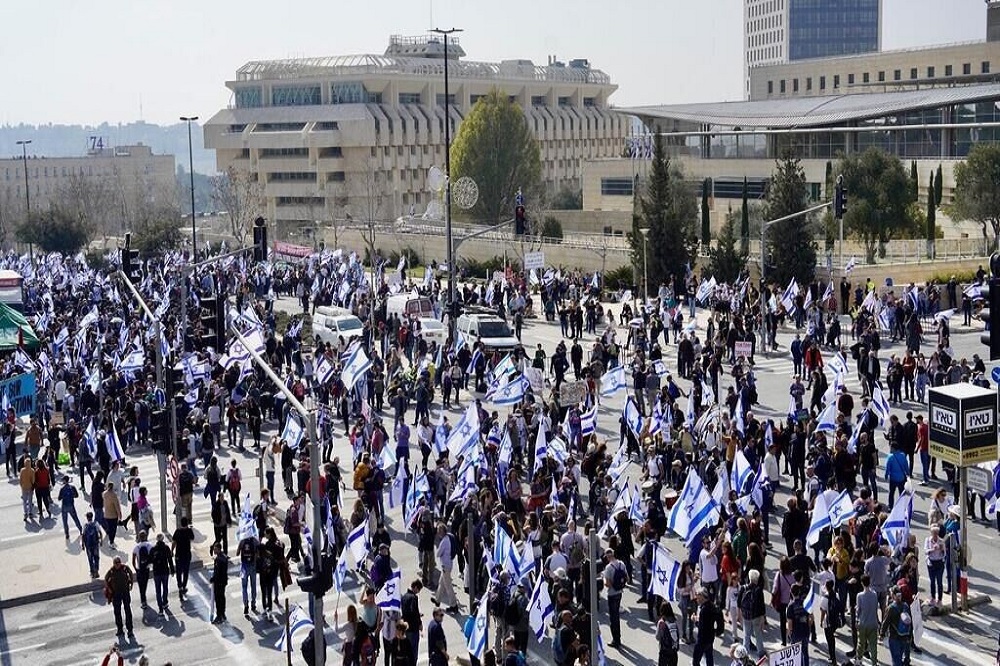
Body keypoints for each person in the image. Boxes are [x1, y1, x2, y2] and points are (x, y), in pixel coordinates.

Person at [104, 556, 135, 640]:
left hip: (125, 592)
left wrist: (131, 584)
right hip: (116, 594)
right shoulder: (111, 571)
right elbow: (106, 579)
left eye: (118, 562)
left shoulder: (125, 568)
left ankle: (130, 630)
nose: (117, 564)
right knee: (117, 612)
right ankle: (120, 629)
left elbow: (131, 574)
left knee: (127, 610)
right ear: (113, 564)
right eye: (116, 563)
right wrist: (109, 589)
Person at [880, 587, 913, 666]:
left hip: (894, 637)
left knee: (896, 660)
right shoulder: (906, 606)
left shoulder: (891, 608)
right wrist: (909, 636)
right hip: (904, 636)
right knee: (899, 657)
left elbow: (885, 622)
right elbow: (910, 622)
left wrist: (882, 634)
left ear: (894, 595)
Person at [602, 548, 627, 648]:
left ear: (607, 557)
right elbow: (627, 578)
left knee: (613, 617)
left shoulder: (608, 568)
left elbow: (607, 584)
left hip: (612, 594)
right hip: (620, 593)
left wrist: (604, 578)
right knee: (616, 615)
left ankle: (616, 640)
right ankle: (618, 638)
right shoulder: (622, 564)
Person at [692, 588, 723, 666]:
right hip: (710, 637)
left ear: (702, 597)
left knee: (696, 661)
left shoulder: (704, 610)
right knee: (709, 657)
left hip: (702, 639)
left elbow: (702, 627)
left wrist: (695, 620)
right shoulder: (712, 606)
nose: (697, 600)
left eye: (698, 597)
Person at [855, 574, 880, 666]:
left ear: (862, 583)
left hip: (863, 623)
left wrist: (856, 620)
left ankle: (858, 661)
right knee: (873, 645)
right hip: (873, 623)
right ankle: (874, 663)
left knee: (861, 643)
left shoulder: (860, 596)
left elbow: (858, 610)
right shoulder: (874, 594)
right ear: (869, 582)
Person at [786, 584, 813, 666]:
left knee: (796, 654)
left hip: (796, 633)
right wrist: (808, 627)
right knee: (805, 652)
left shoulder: (790, 606)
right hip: (805, 631)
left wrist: (790, 633)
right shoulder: (805, 603)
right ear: (799, 592)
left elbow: (790, 623)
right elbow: (811, 618)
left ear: (791, 592)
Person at [149, 533, 174, 616]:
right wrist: (172, 570)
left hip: (156, 572)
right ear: (163, 539)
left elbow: (150, 560)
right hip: (165, 571)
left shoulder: (153, 549)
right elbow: (170, 559)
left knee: (158, 591)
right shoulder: (166, 548)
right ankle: (165, 602)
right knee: (165, 588)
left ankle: (160, 608)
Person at [171, 516, 195, 602]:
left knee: (179, 572)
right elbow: (192, 538)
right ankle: (184, 586)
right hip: (187, 555)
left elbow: (174, 542)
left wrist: (171, 551)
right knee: (185, 572)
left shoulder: (177, 531)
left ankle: (180, 586)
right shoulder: (189, 531)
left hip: (178, 555)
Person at [237, 531, 259, 617]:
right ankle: (253, 604)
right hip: (253, 566)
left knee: (244, 587)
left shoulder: (242, 541)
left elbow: (237, 553)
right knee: (253, 585)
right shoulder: (254, 541)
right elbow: (258, 552)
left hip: (244, 567)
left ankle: (246, 605)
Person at [401, 579, 424, 659]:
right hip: (413, 629)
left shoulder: (404, 597)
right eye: (418, 590)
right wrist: (420, 623)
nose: (418, 592)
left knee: (406, 651)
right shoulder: (413, 598)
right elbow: (413, 611)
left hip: (405, 628)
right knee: (413, 652)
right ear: (415, 587)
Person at [131, 531, 153, 610]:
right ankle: (144, 598)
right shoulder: (150, 545)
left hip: (140, 569)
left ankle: (143, 601)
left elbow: (133, 560)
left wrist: (135, 569)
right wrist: (150, 565)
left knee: (141, 586)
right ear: (146, 536)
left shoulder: (136, 547)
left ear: (139, 537)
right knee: (145, 584)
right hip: (146, 569)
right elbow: (152, 557)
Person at [210, 543, 230, 624]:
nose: (214, 550)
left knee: (218, 599)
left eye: (215, 549)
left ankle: (219, 616)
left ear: (218, 549)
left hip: (219, 582)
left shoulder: (218, 559)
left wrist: (212, 579)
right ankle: (223, 614)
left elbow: (217, 572)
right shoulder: (224, 556)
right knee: (222, 598)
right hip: (224, 581)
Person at [655, 601, 679, 666]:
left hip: (664, 650)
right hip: (674, 650)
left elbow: (657, 637)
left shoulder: (661, 622)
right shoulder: (675, 620)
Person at [82, 511, 103, 578]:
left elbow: (83, 535)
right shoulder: (96, 523)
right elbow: (100, 532)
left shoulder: (85, 525)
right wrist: (101, 540)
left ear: (87, 518)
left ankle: (92, 572)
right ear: (92, 517)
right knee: (96, 558)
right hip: (95, 544)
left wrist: (83, 544)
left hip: (88, 545)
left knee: (90, 559)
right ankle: (96, 571)